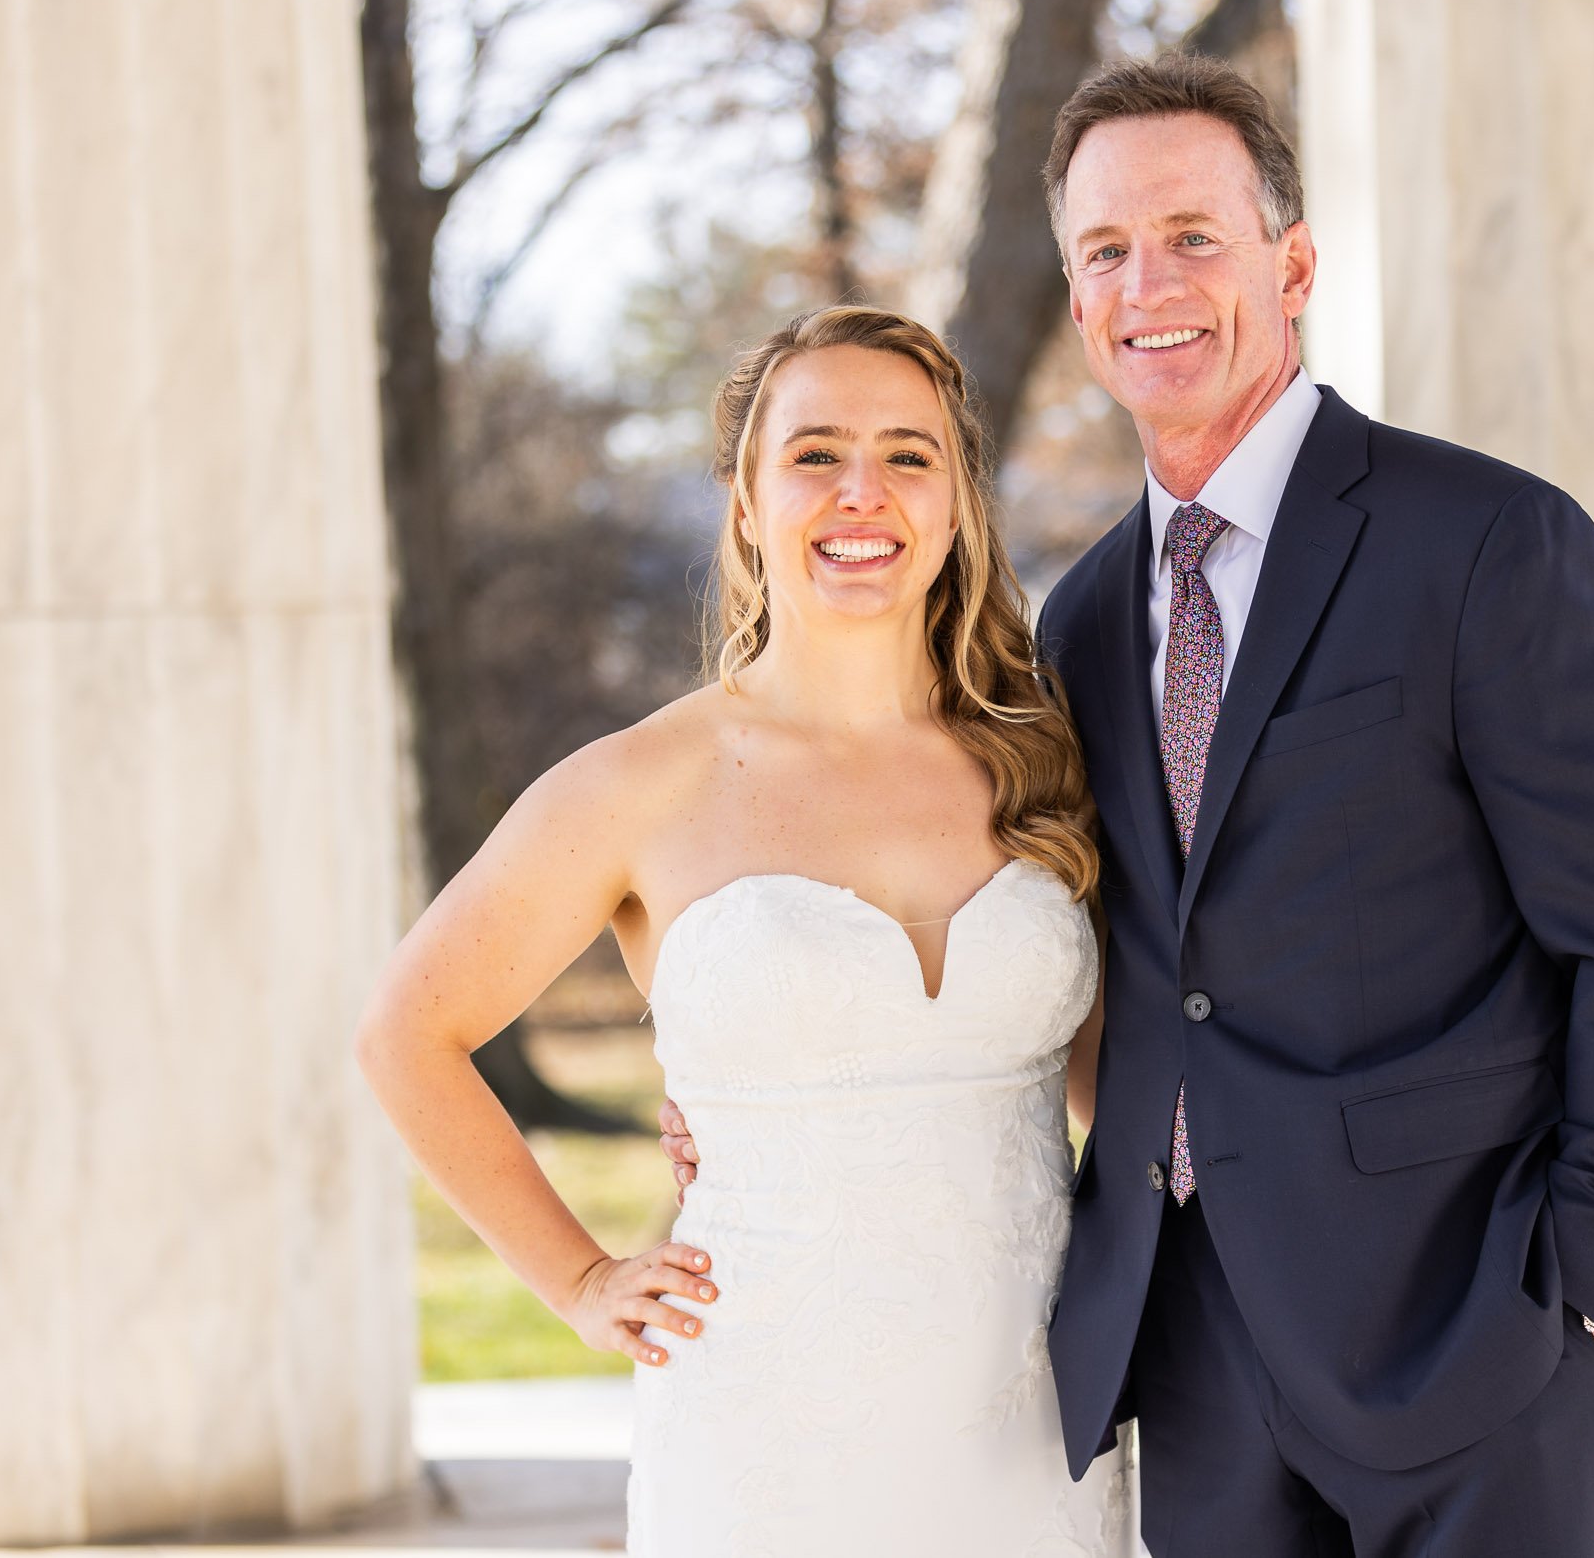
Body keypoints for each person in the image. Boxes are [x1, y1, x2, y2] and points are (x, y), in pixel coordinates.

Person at [664, 54, 1594, 1557]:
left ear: (1291, 265)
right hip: (1195, 1368)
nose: (1145, 281)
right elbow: (1057, 942)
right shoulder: (1081, 625)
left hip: (1475, 1340)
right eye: (1105, 250)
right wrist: (762, 1069)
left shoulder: (1489, 543)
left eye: (1191, 236)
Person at [359, 306, 1132, 1557]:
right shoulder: (638, 783)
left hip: (1036, 1414)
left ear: (957, 502)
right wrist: (579, 1280)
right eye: (816, 453)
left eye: (908, 454)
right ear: (747, 501)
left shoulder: (1042, 755)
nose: (861, 491)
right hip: (766, 1426)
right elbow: (408, 1031)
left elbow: (1113, 1073)